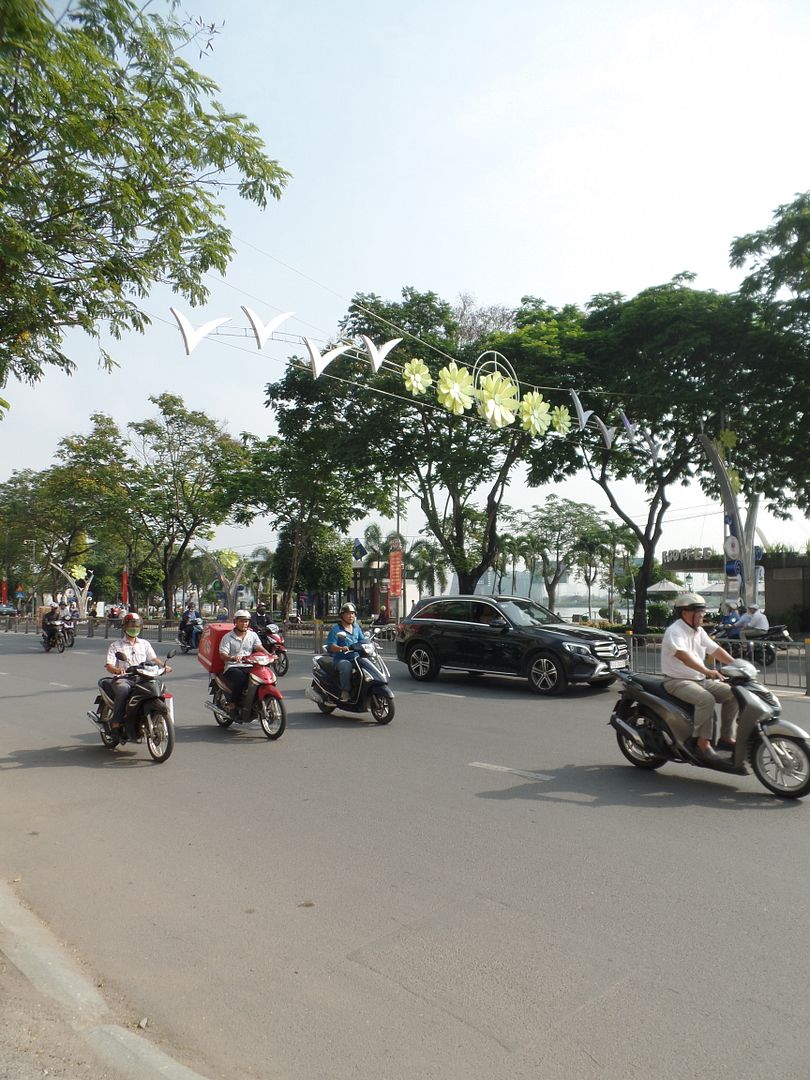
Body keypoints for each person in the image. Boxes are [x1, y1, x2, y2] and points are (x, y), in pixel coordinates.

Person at [661, 592, 738, 761]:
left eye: (702, 611)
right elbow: (683, 656)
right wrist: (707, 671)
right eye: (698, 611)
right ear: (685, 613)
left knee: (733, 693)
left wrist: (737, 664)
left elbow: (715, 649)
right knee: (706, 699)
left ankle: (726, 738)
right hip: (677, 681)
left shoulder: (698, 631)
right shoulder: (675, 631)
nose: (702, 615)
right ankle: (702, 744)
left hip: (699, 679)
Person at [104, 613, 169, 735]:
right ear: (125, 627)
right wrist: (117, 670)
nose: (134, 628)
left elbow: (153, 659)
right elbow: (109, 665)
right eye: (131, 625)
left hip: (144, 677)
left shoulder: (144, 644)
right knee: (123, 690)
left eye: (137, 625)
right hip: (125, 678)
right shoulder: (115, 645)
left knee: (158, 688)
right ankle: (116, 722)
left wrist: (164, 666)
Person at [218, 609, 270, 709]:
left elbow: (259, 647)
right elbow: (222, 655)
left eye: (246, 621)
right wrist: (232, 658)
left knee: (262, 676)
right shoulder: (227, 637)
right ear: (235, 622)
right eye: (241, 621)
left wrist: (269, 655)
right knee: (241, 678)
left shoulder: (252, 635)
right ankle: (233, 703)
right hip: (233, 666)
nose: (244, 623)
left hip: (249, 664)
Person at [326, 602, 365, 700]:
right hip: (341, 659)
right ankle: (345, 691)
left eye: (352, 613)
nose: (351, 616)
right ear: (342, 615)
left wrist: (371, 644)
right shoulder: (336, 629)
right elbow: (331, 645)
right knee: (346, 666)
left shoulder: (356, 627)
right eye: (348, 613)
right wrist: (341, 648)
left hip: (356, 658)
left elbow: (362, 640)